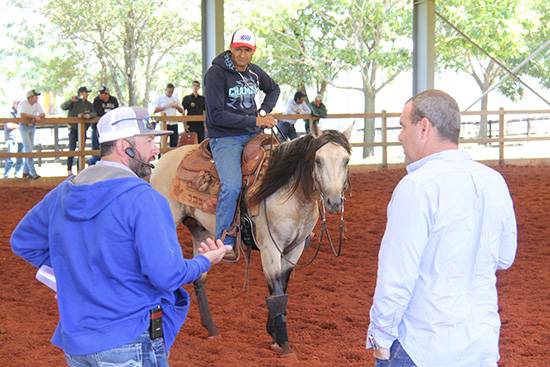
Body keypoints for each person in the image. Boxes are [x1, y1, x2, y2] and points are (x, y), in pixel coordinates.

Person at [11, 106, 228, 367]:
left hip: (78, 340)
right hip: (129, 337)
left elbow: (23, 242)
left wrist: (72, 281)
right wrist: (205, 261)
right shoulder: (144, 198)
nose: (156, 149)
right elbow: (166, 274)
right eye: (149, 141)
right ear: (126, 146)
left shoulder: (64, 192)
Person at [366, 89, 517, 367]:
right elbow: (505, 257)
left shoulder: (417, 186)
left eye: (402, 126)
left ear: (423, 127)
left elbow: (397, 275)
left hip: (421, 347)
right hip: (480, 344)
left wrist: (380, 340)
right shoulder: (493, 181)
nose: (399, 136)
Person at [204, 27, 279, 259]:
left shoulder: (254, 72)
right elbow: (216, 114)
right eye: (239, 50)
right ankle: (223, 238)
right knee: (233, 185)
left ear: (253, 52)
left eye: (247, 50)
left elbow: (274, 89)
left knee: (284, 167)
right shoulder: (216, 74)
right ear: (231, 48)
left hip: (252, 134)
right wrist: (257, 119)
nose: (243, 55)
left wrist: (264, 110)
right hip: (225, 137)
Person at [61, 86, 97, 176]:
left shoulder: (89, 104)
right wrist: (71, 100)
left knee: (81, 149)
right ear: (81, 93)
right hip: (73, 129)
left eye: (87, 93)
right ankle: (69, 169)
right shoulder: (74, 102)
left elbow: (94, 112)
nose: (87, 94)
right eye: (85, 92)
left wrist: (89, 115)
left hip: (83, 129)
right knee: (72, 148)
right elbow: (63, 106)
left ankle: (79, 169)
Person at [18, 89, 46, 179]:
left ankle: (25, 172)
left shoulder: (37, 104)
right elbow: (22, 115)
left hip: (32, 126)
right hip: (24, 127)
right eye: (35, 96)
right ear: (30, 97)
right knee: (29, 149)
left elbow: (43, 113)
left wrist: (36, 118)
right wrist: (34, 116)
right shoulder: (24, 103)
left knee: (29, 149)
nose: (37, 97)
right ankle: (33, 173)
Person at [90, 85, 119, 165]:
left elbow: (116, 111)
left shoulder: (113, 100)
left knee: (110, 146)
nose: (100, 95)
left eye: (102, 93)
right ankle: (94, 164)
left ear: (107, 94)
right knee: (95, 147)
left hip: (110, 128)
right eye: (100, 93)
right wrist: (109, 115)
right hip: (98, 128)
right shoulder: (96, 100)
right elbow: (98, 112)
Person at [154, 83, 183, 147]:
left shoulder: (176, 99)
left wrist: (176, 106)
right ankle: (161, 156)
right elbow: (155, 110)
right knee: (163, 143)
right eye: (169, 91)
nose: (170, 93)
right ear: (166, 90)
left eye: (172, 92)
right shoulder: (160, 98)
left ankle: (173, 156)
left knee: (174, 143)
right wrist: (167, 106)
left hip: (174, 123)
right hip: (164, 124)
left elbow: (182, 111)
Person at [3, 100, 23, 178]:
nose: (19, 106)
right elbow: (8, 125)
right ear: (14, 104)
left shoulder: (21, 114)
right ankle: (6, 175)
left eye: (20, 104)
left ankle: (17, 174)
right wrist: (20, 125)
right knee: (11, 159)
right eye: (17, 104)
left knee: (21, 158)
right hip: (12, 139)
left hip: (21, 139)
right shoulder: (9, 114)